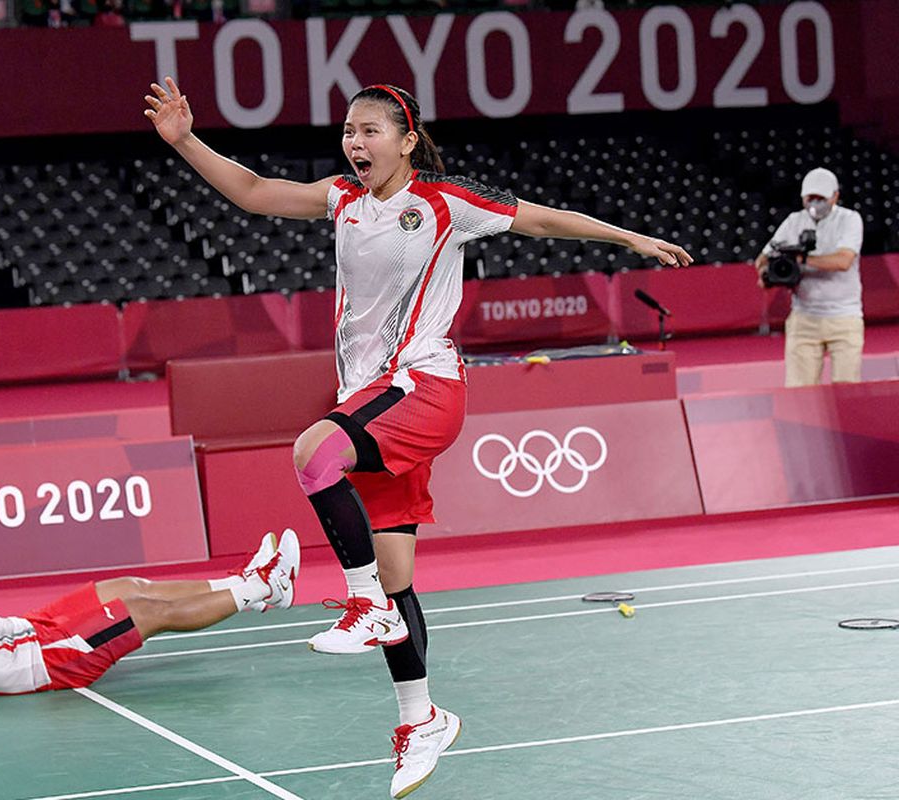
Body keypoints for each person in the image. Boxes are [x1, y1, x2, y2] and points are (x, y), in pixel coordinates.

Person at [144, 78, 692, 798]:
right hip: (371, 400)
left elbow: (544, 221)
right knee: (397, 572)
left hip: (425, 385)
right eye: (348, 130)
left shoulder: (444, 203)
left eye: (370, 131)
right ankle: (420, 716)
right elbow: (253, 191)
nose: (354, 142)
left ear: (406, 141)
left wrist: (628, 238)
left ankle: (360, 601)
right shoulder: (341, 197)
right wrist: (185, 140)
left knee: (313, 454)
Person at [0, 491, 299, 695]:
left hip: (29, 629)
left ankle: (244, 580)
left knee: (129, 586)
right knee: (145, 612)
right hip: (44, 660)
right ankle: (262, 587)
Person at [754, 167, 865, 387]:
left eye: (820, 198)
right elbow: (762, 259)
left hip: (844, 318)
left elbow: (843, 261)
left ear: (835, 196)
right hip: (804, 319)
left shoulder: (850, 220)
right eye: (810, 197)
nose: (815, 203)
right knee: (799, 392)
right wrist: (768, 273)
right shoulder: (794, 222)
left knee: (847, 390)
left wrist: (801, 261)